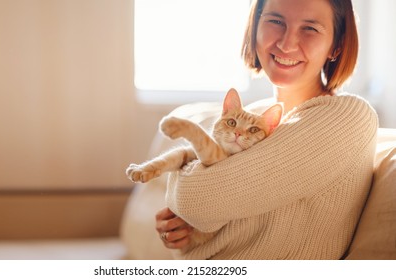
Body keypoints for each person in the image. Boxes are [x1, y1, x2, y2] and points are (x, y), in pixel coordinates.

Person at [155, 0, 378, 259]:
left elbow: (195, 199)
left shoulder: (348, 117)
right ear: (255, 27)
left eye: (310, 29)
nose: (286, 44)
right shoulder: (251, 116)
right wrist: (178, 226)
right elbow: (193, 209)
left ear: (336, 46)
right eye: (275, 21)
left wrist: (182, 196)